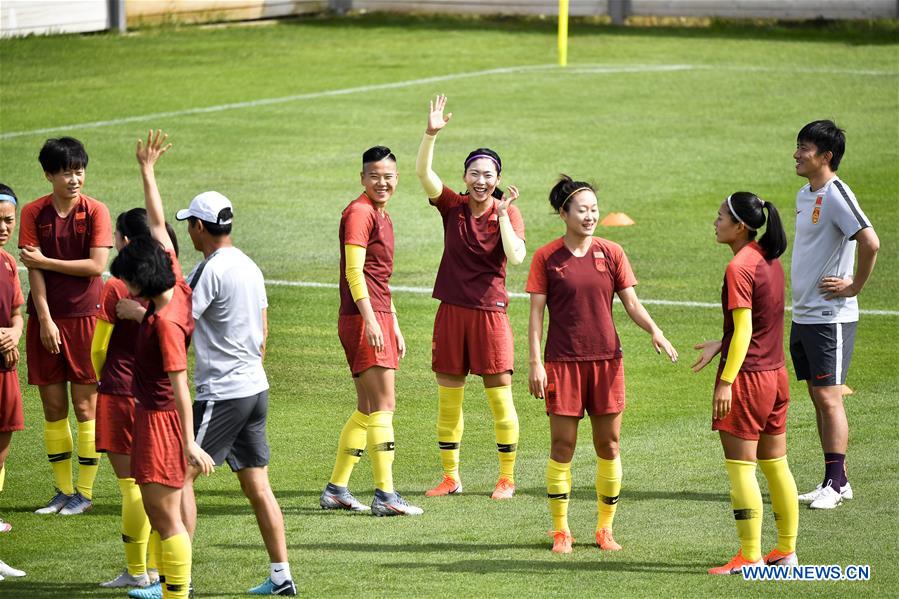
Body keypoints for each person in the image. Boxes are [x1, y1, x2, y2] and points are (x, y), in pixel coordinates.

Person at [527, 176, 677, 554]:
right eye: (582, 210)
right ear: (564, 214)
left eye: (594, 209)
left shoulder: (612, 252)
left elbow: (631, 303)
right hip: (562, 363)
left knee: (608, 444)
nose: (590, 216)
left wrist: (655, 331)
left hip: (607, 362)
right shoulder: (546, 257)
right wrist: (535, 363)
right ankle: (561, 530)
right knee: (562, 446)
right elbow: (535, 316)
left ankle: (604, 529)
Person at [170, 164, 296, 593]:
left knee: (179, 474)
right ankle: (282, 576)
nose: (188, 232)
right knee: (257, 484)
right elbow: (263, 330)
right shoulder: (250, 266)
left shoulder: (208, 270)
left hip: (222, 392)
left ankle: (175, 580)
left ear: (201, 227)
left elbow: (178, 324)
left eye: (190, 225)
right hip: (254, 388)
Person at [109, 131, 215, 599]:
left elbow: (180, 384)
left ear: (140, 280)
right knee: (170, 510)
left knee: (163, 517)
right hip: (160, 419)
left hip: (160, 421)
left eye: (127, 281)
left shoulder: (165, 325)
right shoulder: (174, 281)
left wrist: (189, 443)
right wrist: (147, 173)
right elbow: (156, 224)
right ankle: (177, 589)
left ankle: (176, 592)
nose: (125, 288)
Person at [416, 95, 526, 500]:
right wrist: (431, 133)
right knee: (449, 399)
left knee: (500, 399)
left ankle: (507, 478)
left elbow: (516, 257)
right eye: (474, 173)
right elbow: (423, 173)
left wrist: (501, 216)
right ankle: (451, 477)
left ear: (498, 179)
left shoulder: (507, 213)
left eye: (489, 174)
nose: (481, 180)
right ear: (464, 177)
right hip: (451, 312)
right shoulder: (452, 206)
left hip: (490, 314)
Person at [694, 192, 799, 574]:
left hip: (748, 380)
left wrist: (725, 381)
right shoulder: (768, 259)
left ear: (740, 226)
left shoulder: (738, 266)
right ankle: (786, 551)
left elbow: (745, 330)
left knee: (742, 468)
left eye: (721, 216)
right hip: (776, 376)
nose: (715, 221)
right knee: (776, 466)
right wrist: (718, 342)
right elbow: (763, 320)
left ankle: (749, 555)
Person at [319, 145, 422, 517]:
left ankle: (336, 489)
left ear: (397, 178)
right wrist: (373, 320)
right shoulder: (361, 213)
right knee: (383, 406)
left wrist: (392, 321)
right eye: (374, 176)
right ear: (362, 177)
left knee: (366, 408)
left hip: (373, 313)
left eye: (388, 176)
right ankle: (386, 495)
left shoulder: (380, 213)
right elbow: (354, 272)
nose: (382, 182)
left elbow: (380, 278)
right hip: (364, 316)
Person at [18, 137, 111, 516]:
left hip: (88, 318)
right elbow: (31, 266)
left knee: (86, 407)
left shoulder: (96, 212)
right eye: (66, 172)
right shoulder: (32, 212)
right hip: (47, 322)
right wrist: (44, 319)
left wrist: (46, 260)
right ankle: (62, 490)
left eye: (79, 170)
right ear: (48, 175)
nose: (75, 179)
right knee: (53, 407)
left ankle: (84, 494)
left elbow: (95, 266)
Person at [789, 120, 879, 510]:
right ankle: (833, 479)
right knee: (817, 395)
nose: (796, 154)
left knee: (829, 397)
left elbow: (870, 242)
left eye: (804, 148)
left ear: (826, 157)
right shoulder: (804, 194)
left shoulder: (838, 194)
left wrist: (854, 286)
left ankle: (838, 481)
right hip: (804, 314)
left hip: (831, 316)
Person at [91, 208, 179, 589]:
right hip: (157, 397)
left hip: (119, 390)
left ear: (126, 241)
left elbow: (98, 348)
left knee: (131, 485)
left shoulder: (116, 284)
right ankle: (158, 569)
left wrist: (104, 380)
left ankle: (135, 571)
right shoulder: (169, 281)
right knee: (158, 486)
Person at [0, 183, 27, 582]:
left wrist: (15, 333)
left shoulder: (7, 262)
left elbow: (18, 311)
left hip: (5, 372)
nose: (4, 227)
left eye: (8, 220)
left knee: (0, 458)